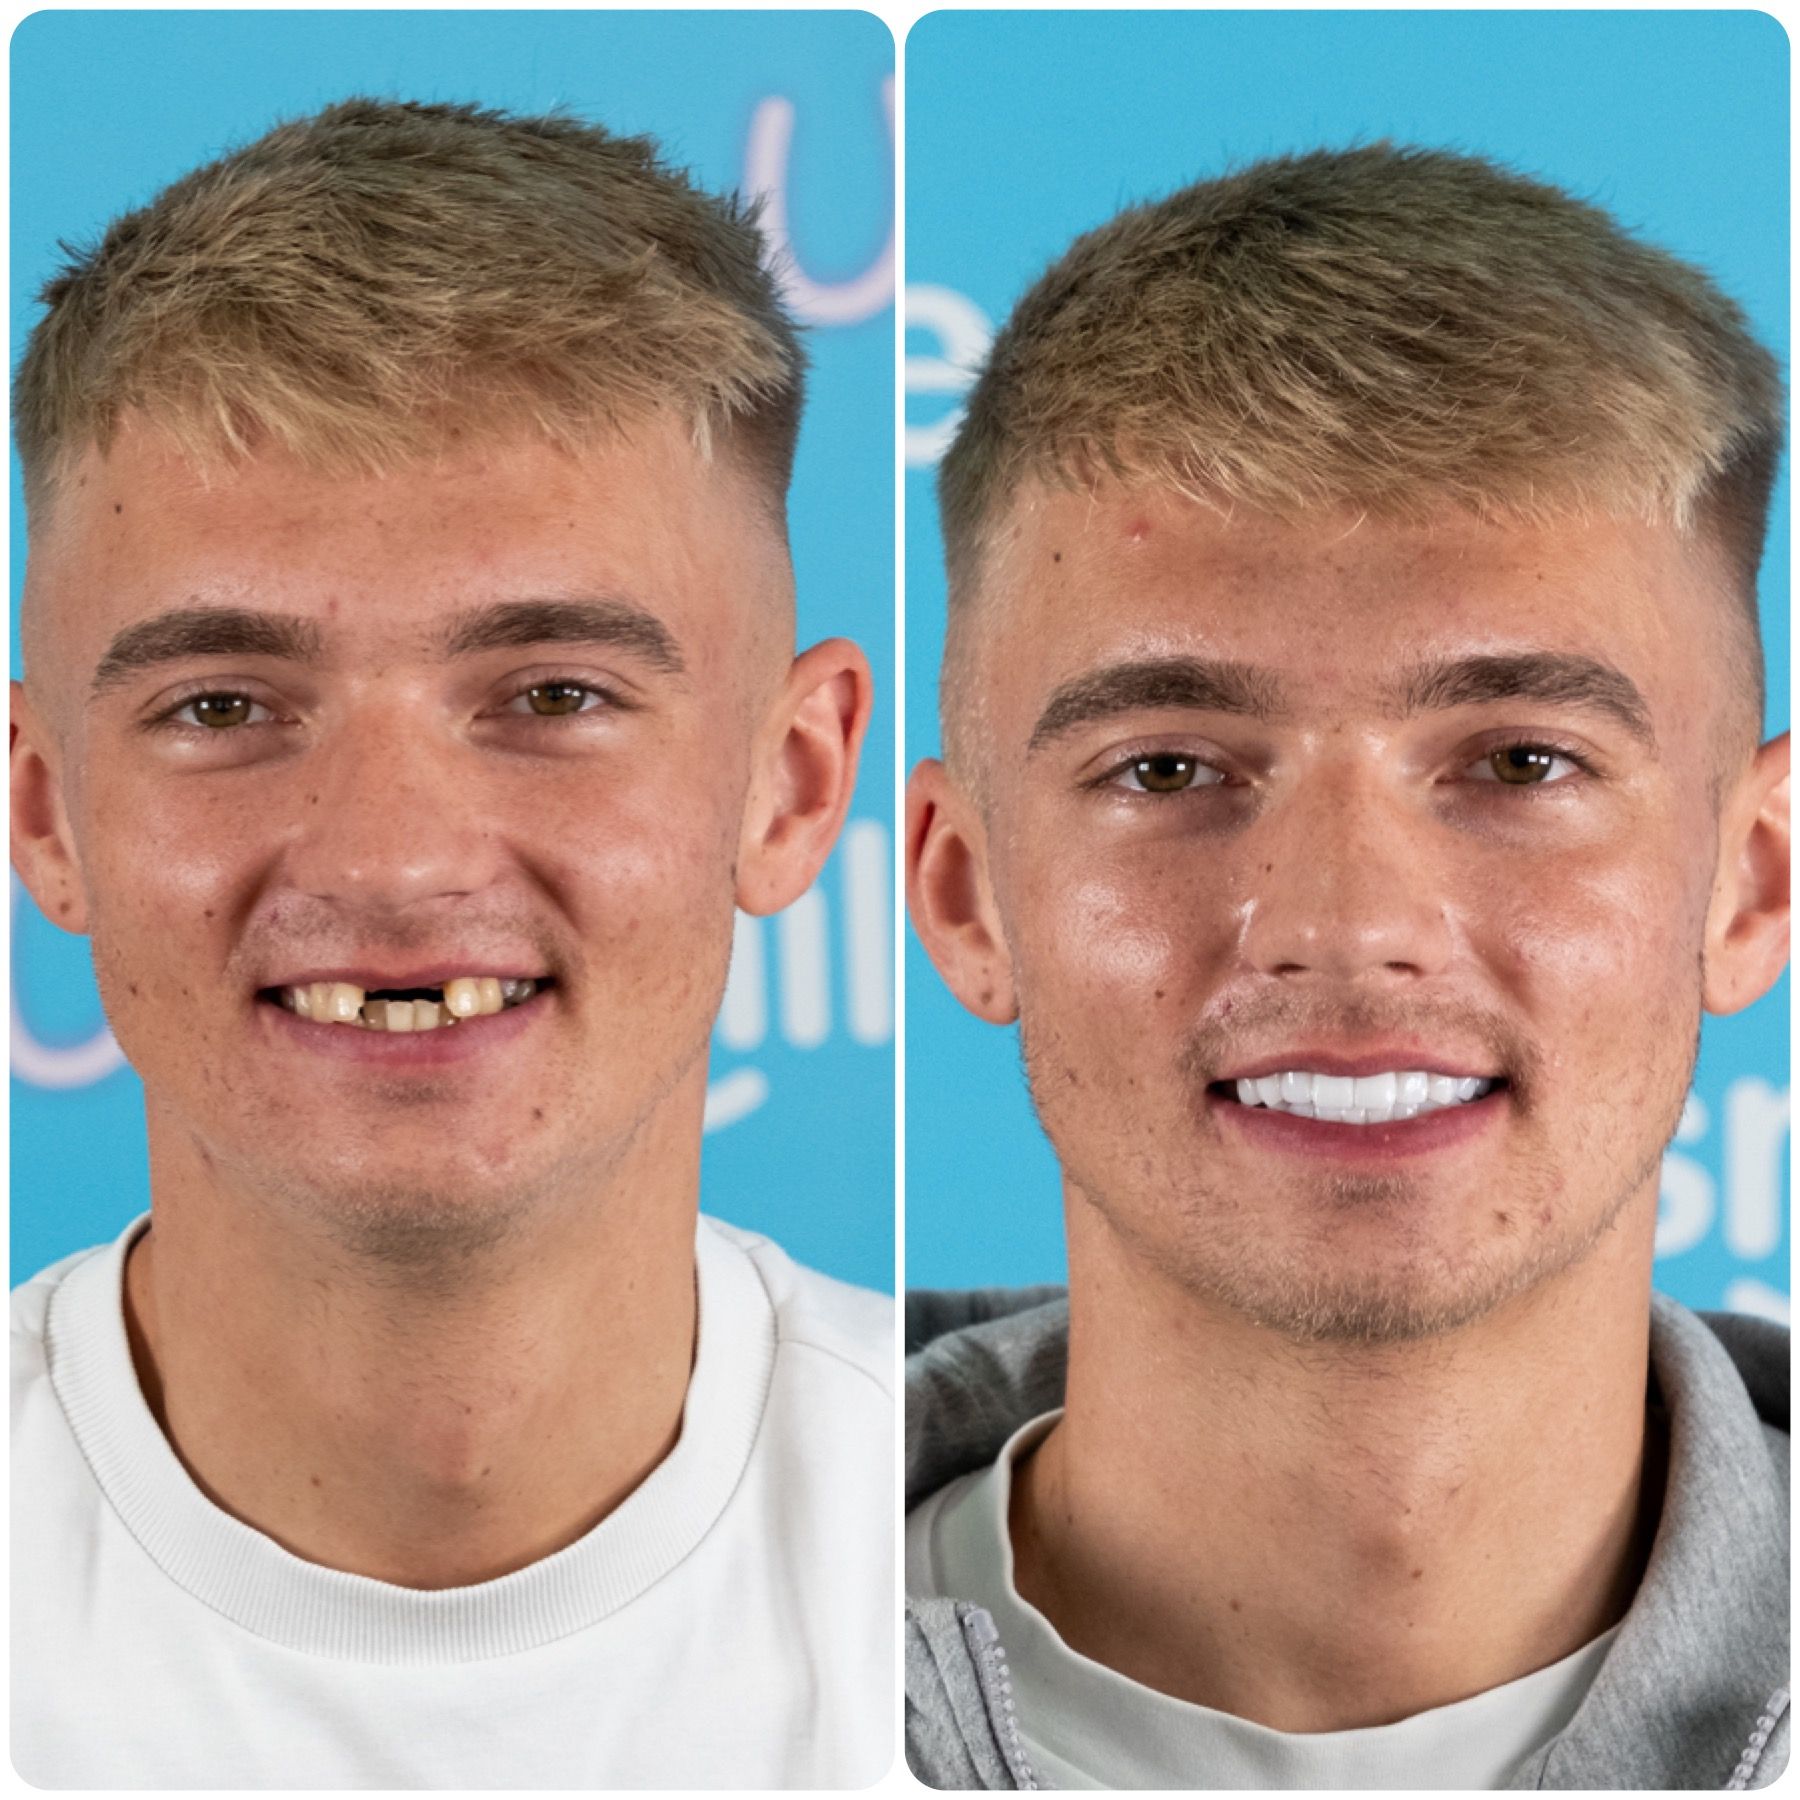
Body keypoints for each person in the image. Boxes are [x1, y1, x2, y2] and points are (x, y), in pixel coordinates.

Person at [10, 97, 891, 1789]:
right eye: (222, 704)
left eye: (555, 696)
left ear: (791, 786)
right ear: (50, 816)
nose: (393, 854)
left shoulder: (996, 1598)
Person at [904, 143, 1789, 1790]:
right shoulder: (614, 1696)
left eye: (1522, 763)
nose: (1345, 920)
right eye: (1170, 769)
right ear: (967, 895)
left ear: (1752, 880)